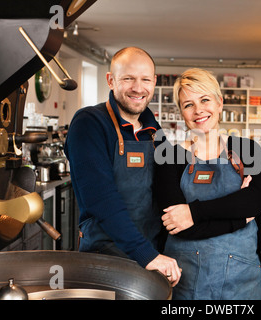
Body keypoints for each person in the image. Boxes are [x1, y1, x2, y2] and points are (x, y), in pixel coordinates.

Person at [64, 47, 181, 285]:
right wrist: (147, 255)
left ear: (154, 82)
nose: (138, 88)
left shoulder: (151, 128)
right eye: (128, 78)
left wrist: (226, 173)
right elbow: (101, 198)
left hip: (149, 253)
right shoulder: (89, 123)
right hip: (106, 258)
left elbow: (174, 172)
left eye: (145, 79)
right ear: (111, 80)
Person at [155, 68, 261, 299]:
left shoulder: (247, 151)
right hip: (186, 278)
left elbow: (256, 200)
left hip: (242, 279)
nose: (198, 110)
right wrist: (239, 217)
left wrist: (193, 212)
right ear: (181, 113)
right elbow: (177, 224)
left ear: (219, 103)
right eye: (188, 104)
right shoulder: (169, 157)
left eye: (205, 99)